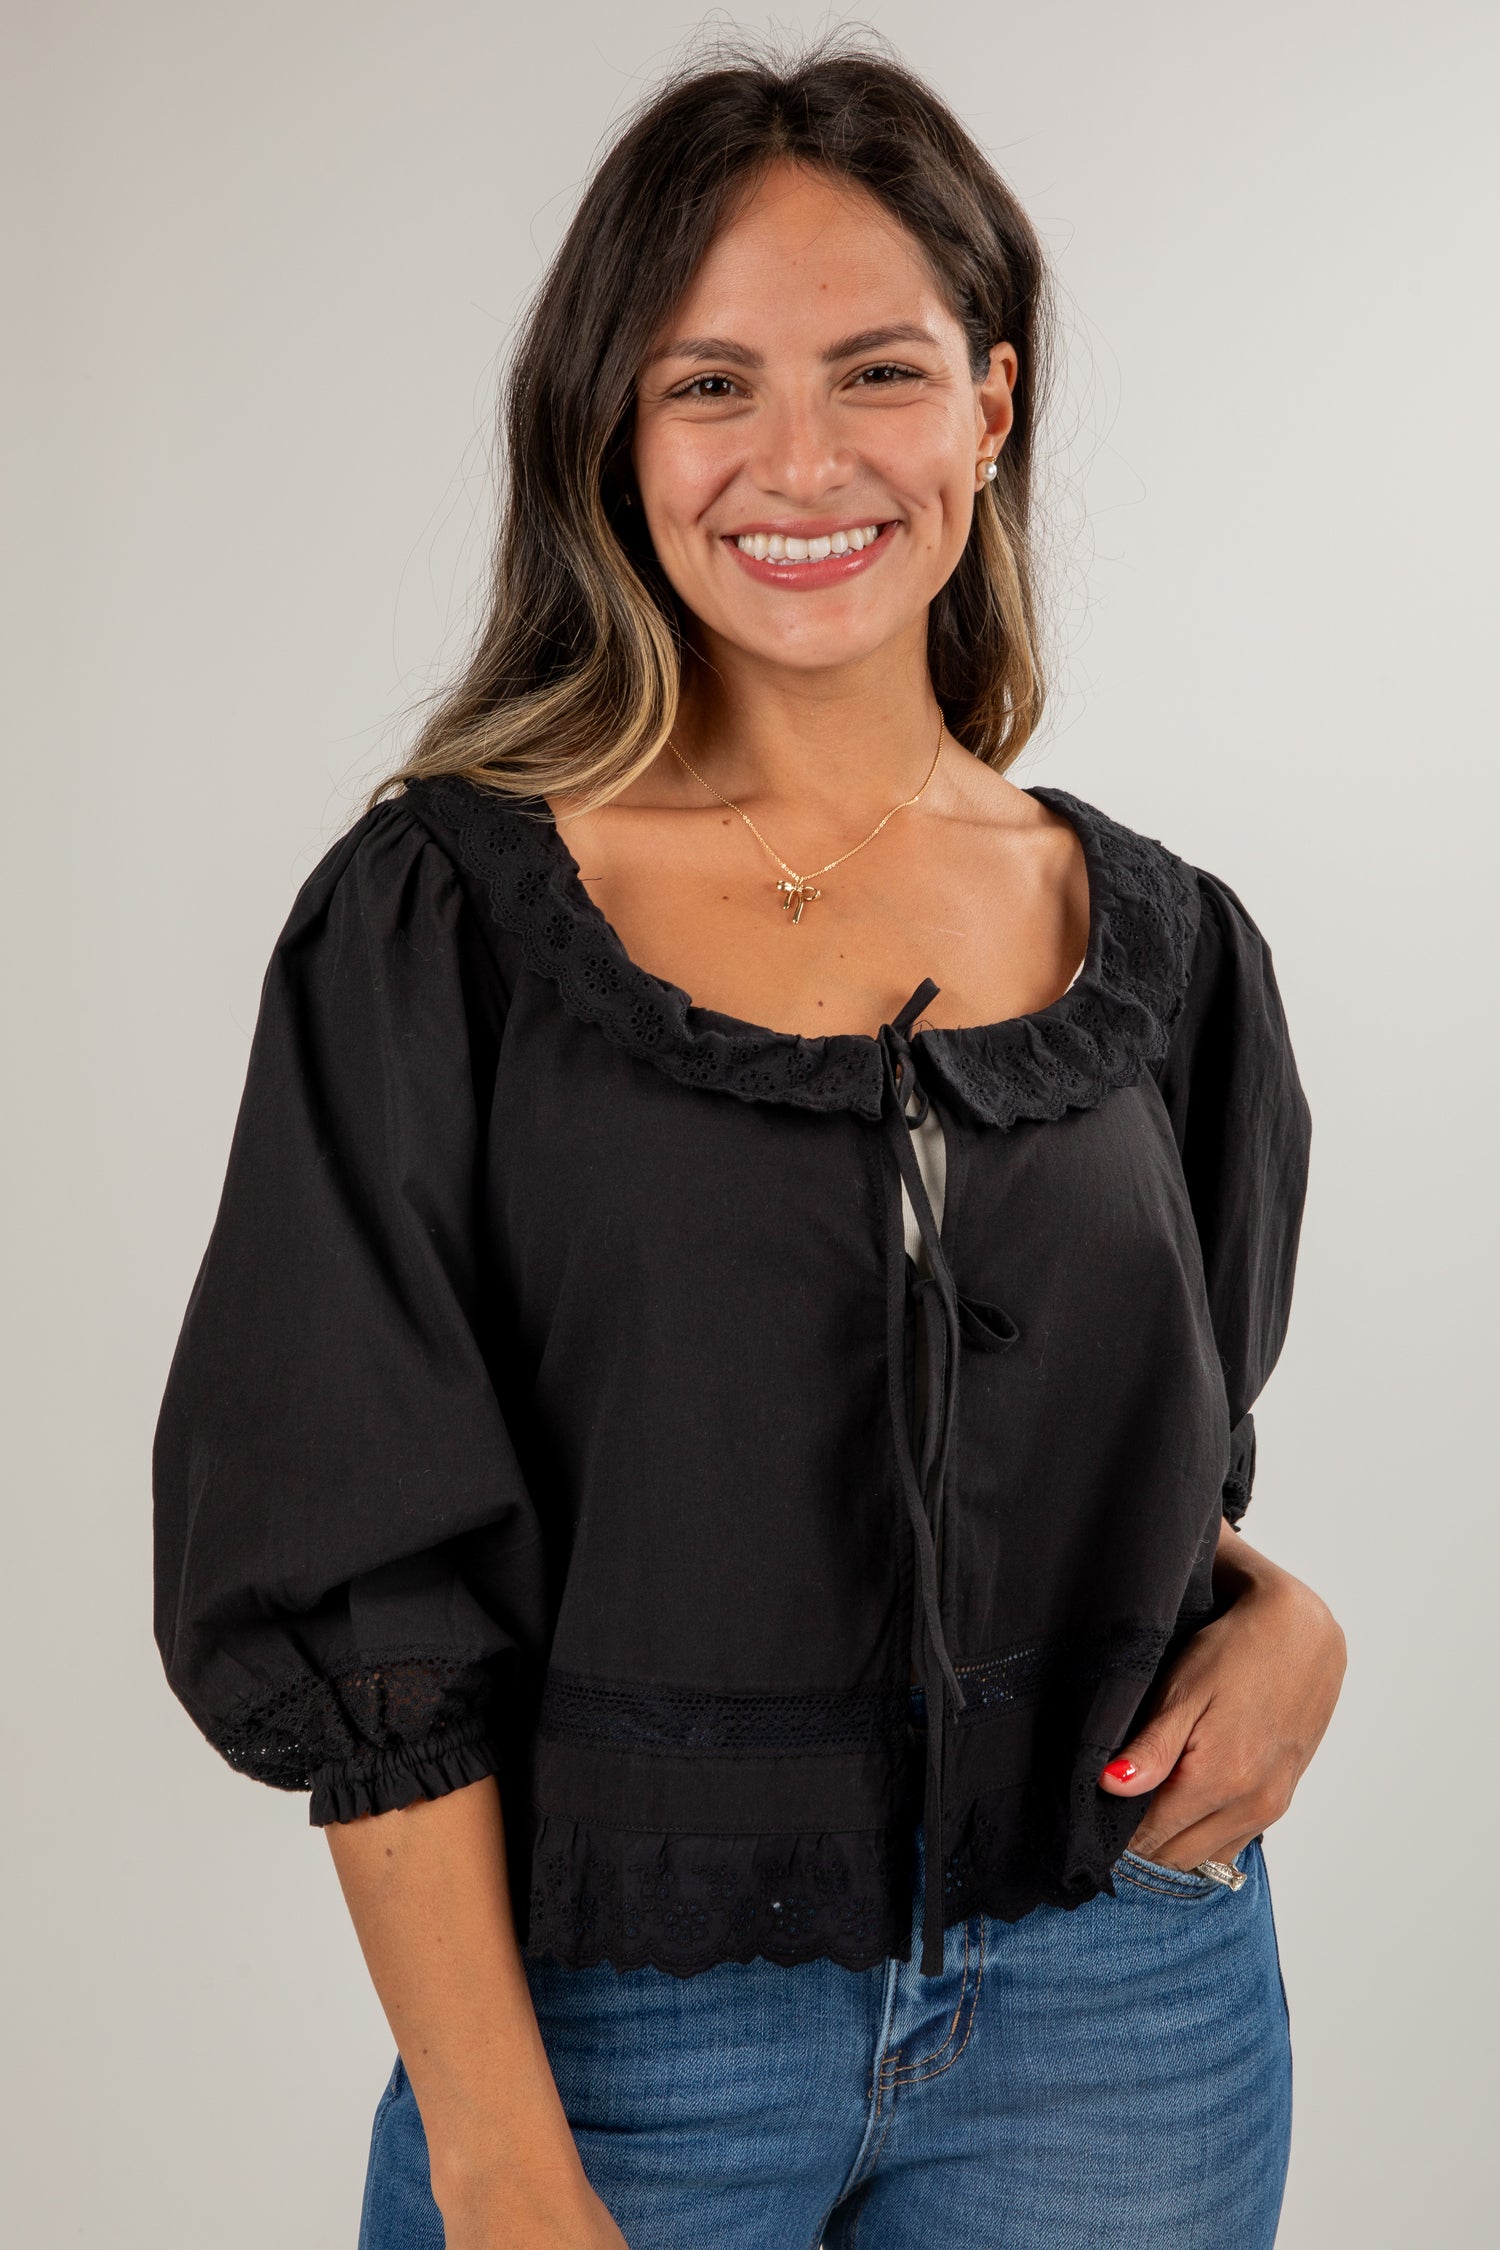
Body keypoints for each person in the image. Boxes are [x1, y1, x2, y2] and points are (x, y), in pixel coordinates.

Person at [152, 42, 1346, 2250]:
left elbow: (1136, 1472)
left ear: (990, 407)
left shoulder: (1165, 947)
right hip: (624, 2041)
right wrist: (500, 2152)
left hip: (1129, 2007)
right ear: (614, 433)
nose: (801, 461)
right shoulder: (445, 922)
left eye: (878, 370)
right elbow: (358, 1570)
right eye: (711, 385)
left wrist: (1290, 1624)